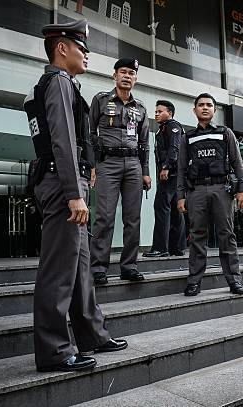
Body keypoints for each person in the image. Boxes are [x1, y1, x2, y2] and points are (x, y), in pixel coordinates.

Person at [24, 19, 126, 373]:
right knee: (59, 271)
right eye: (82, 48)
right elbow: (62, 141)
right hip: (63, 187)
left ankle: (91, 334)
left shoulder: (63, 83)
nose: (86, 54)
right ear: (62, 48)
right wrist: (73, 193)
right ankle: (53, 351)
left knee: (81, 268)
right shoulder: (58, 82)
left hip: (69, 184)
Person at [177, 93, 243, 296]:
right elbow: (181, 169)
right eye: (201, 105)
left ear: (214, 110)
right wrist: (180, 196)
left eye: (209, 105)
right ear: (194, 110)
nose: (205, 108)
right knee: (197, 237)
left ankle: (234, 280)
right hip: (196, 192)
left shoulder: (225, 133)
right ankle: (194, 282)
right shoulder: (187, 138)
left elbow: (237, 162)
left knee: (227, 235)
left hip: (221, 190)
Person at [89, 58, 151, 284]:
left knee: (133, 218)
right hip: (108, 164)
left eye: (131, 73)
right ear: (114, 76)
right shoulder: (100, 100)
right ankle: (98, 268)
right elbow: (90, 134)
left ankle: (129, 266)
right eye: (122, 72)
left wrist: (145, 171)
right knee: (104, 217)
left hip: (133, 165)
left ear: (135, 78)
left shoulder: (141, 108)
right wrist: (93, 165)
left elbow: (145, 143)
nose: (127, 76)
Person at [144, 100, 186, 257]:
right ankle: (178, 247)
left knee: (161, 208)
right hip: (175, 176)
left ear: (170, 113)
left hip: (171, 174)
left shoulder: (172, 126)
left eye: (160, 111)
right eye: (155, 111)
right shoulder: (163, 129)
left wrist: (166, 167)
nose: (156, 114)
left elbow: (174, 148)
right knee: (175, 211)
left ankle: (160, 248)